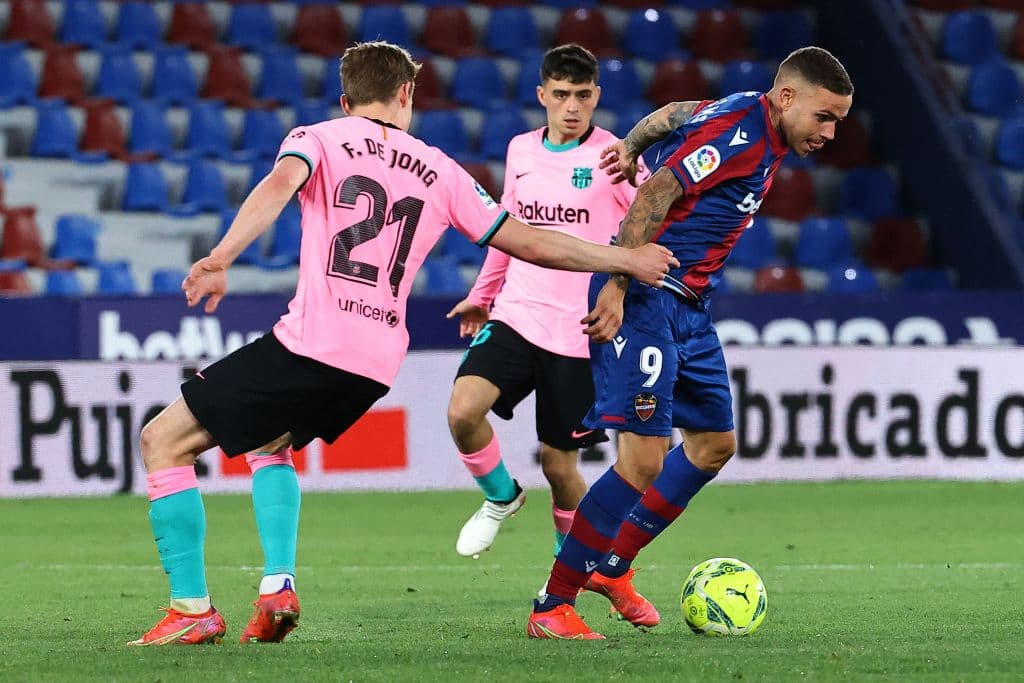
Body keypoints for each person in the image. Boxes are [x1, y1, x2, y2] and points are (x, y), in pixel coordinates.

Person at [128, 40, 677, 647]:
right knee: (269, 441)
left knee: (162, 441)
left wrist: (222, 255)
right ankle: (276, 585)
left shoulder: (317, 137)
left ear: (345, 100)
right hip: (376, 362)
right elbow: (530, 241)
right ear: (406, 94)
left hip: (314, 340)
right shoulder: (440, 167)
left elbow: (279, 185)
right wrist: (621, 258)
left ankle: (190, 610)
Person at [526, 46, 854, 640]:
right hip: (647, 295)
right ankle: (553, 604)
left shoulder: (743, 114)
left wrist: (627, 144)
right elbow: (656, 195)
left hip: (690, 307)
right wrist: (619, 283)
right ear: (787, 99)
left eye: (839, 121)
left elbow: (674, 112)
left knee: (711, 446)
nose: (830, 131)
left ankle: (612, 566)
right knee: (643, 460)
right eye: (824, 116)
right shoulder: (740, 133)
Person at [445, 45, 652, 560]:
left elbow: (652, 222)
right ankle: (500, 495)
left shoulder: (616, 157)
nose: (572, 106)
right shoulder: (521, 150)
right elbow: (509, 231)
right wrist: (481, 296)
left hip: (579, 333)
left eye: (583, 96)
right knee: (462, 411)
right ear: (542, 95)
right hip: (518, 313)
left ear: (597, 96)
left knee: (560, 470)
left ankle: (570, 575)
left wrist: (621, 288)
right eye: (561, 95)